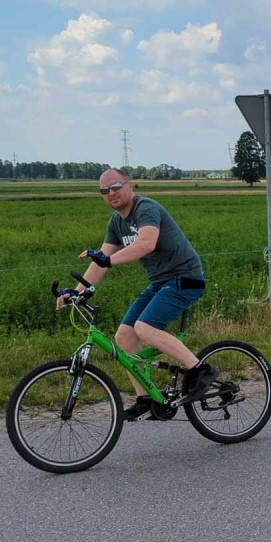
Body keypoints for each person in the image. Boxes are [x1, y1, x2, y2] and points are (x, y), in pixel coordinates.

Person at [55, 168, 218, 421]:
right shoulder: (117, 223)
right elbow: (100, 261)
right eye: (105, 190)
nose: (112, 193)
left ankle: (201, 370)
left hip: (185, 278)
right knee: (124, 336)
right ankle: (146, 398)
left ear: (130, 186)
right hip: (159, 282)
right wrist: (77, 293)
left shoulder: (145, 208)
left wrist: (107, 260)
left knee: (144, 328)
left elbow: (146, 243)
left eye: (116, 186)